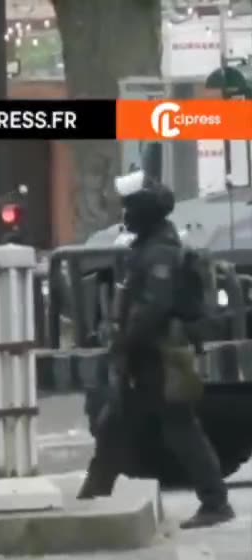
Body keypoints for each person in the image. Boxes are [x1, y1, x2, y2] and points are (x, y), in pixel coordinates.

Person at [77, 170, 235, 530]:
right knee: (116, 423)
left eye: (130, 208)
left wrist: (125, 341)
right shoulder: (149, 247)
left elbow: (153, 309)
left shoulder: (160, 252)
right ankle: (94, 494)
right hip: (147, 355)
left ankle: (216, 501)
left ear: (145, 212)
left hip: (161, 357)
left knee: (179, 429)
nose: (125, 214)